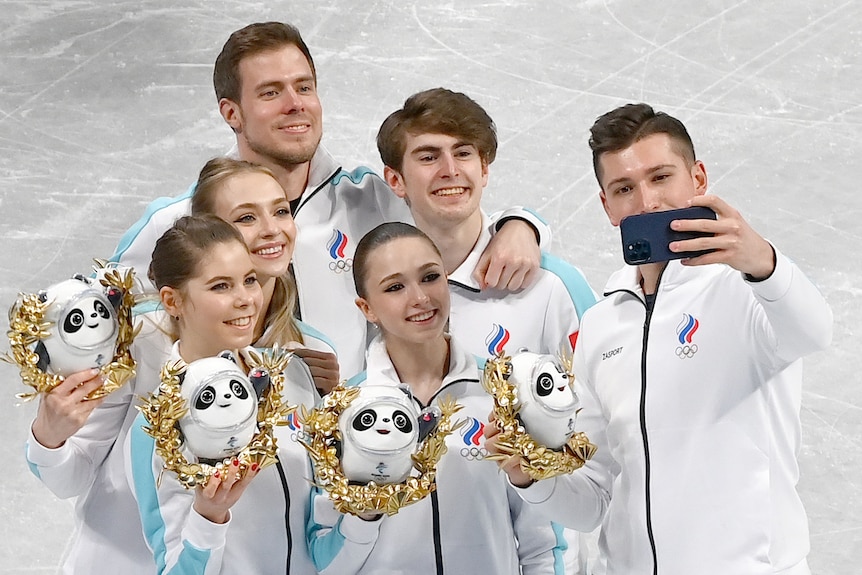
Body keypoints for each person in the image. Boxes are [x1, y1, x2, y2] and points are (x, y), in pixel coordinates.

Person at [487, 103, 833, 574]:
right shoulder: (601, 324)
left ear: (699, 178)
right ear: (607, 206)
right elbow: (595, 499)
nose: (647, 202)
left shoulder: (747, 289)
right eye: (624, 188)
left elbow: (814, 331)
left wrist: (762, 261)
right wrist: (531, 479)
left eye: (661, 177)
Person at [110, 21, 552, 379]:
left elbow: (458, 224)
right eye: (270, 92)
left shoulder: (369, 199)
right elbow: (99, 315)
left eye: (304, 87)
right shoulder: (184, 220)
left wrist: (521, 225)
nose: (294, 104)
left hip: (355, 456)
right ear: (232, 113)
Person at [376, 87, 598, 573]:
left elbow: (600, 432)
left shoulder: (552, 288)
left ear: (486, 168)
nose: (450, 171)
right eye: (428, 156)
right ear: (396, 179)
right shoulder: (378, 291)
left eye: (464, 153)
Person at [306, 222, 564, 574]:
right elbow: (325, 562)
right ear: (367, 308)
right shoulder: (343, 412)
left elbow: (543, 537)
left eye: (430, 277)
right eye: (395, 287)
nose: (420, 298)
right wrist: (364, 514)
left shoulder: (505, 392)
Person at [126, 214, 320, 573]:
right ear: (172, 301)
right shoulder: (158, 427)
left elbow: (322, 528)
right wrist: (209, 517)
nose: (246, 299)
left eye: (249, 280)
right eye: (220, 286)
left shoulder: (292, 375)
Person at [190, 156, 338, 392]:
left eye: (281, 211)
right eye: (247, 218)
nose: (272, 230)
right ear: (208, 231)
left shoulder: (312, 351)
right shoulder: (146, 335)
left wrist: (325, 403)